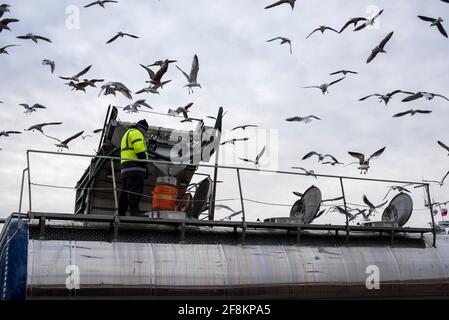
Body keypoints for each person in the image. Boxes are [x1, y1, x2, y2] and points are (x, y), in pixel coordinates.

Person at [118, 119, 149, 216]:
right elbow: (139, 150)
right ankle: (134, 212)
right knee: (135, 191)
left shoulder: (127, 133)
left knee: (125, 192)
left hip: (125, 167)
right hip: (135, 167)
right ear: (142, 128)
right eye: (145, 131)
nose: (145, 133)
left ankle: (121, 213)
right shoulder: (136, 133)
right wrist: (145, 163)